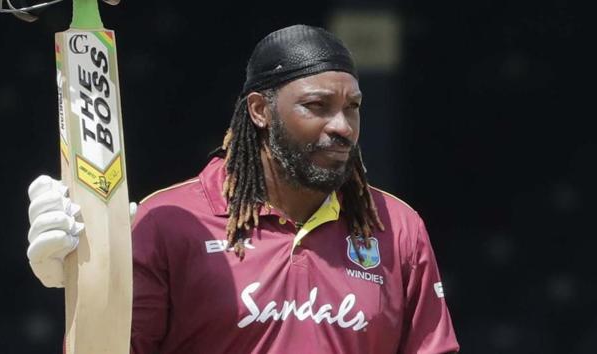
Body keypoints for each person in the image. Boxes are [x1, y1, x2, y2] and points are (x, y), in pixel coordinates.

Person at [27, 24, 460, 353]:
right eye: (317, 106)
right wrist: (91, 282)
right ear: (259, 111)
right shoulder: (170, 222)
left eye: (353, 108)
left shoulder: (396, 227)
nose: (342, 127)